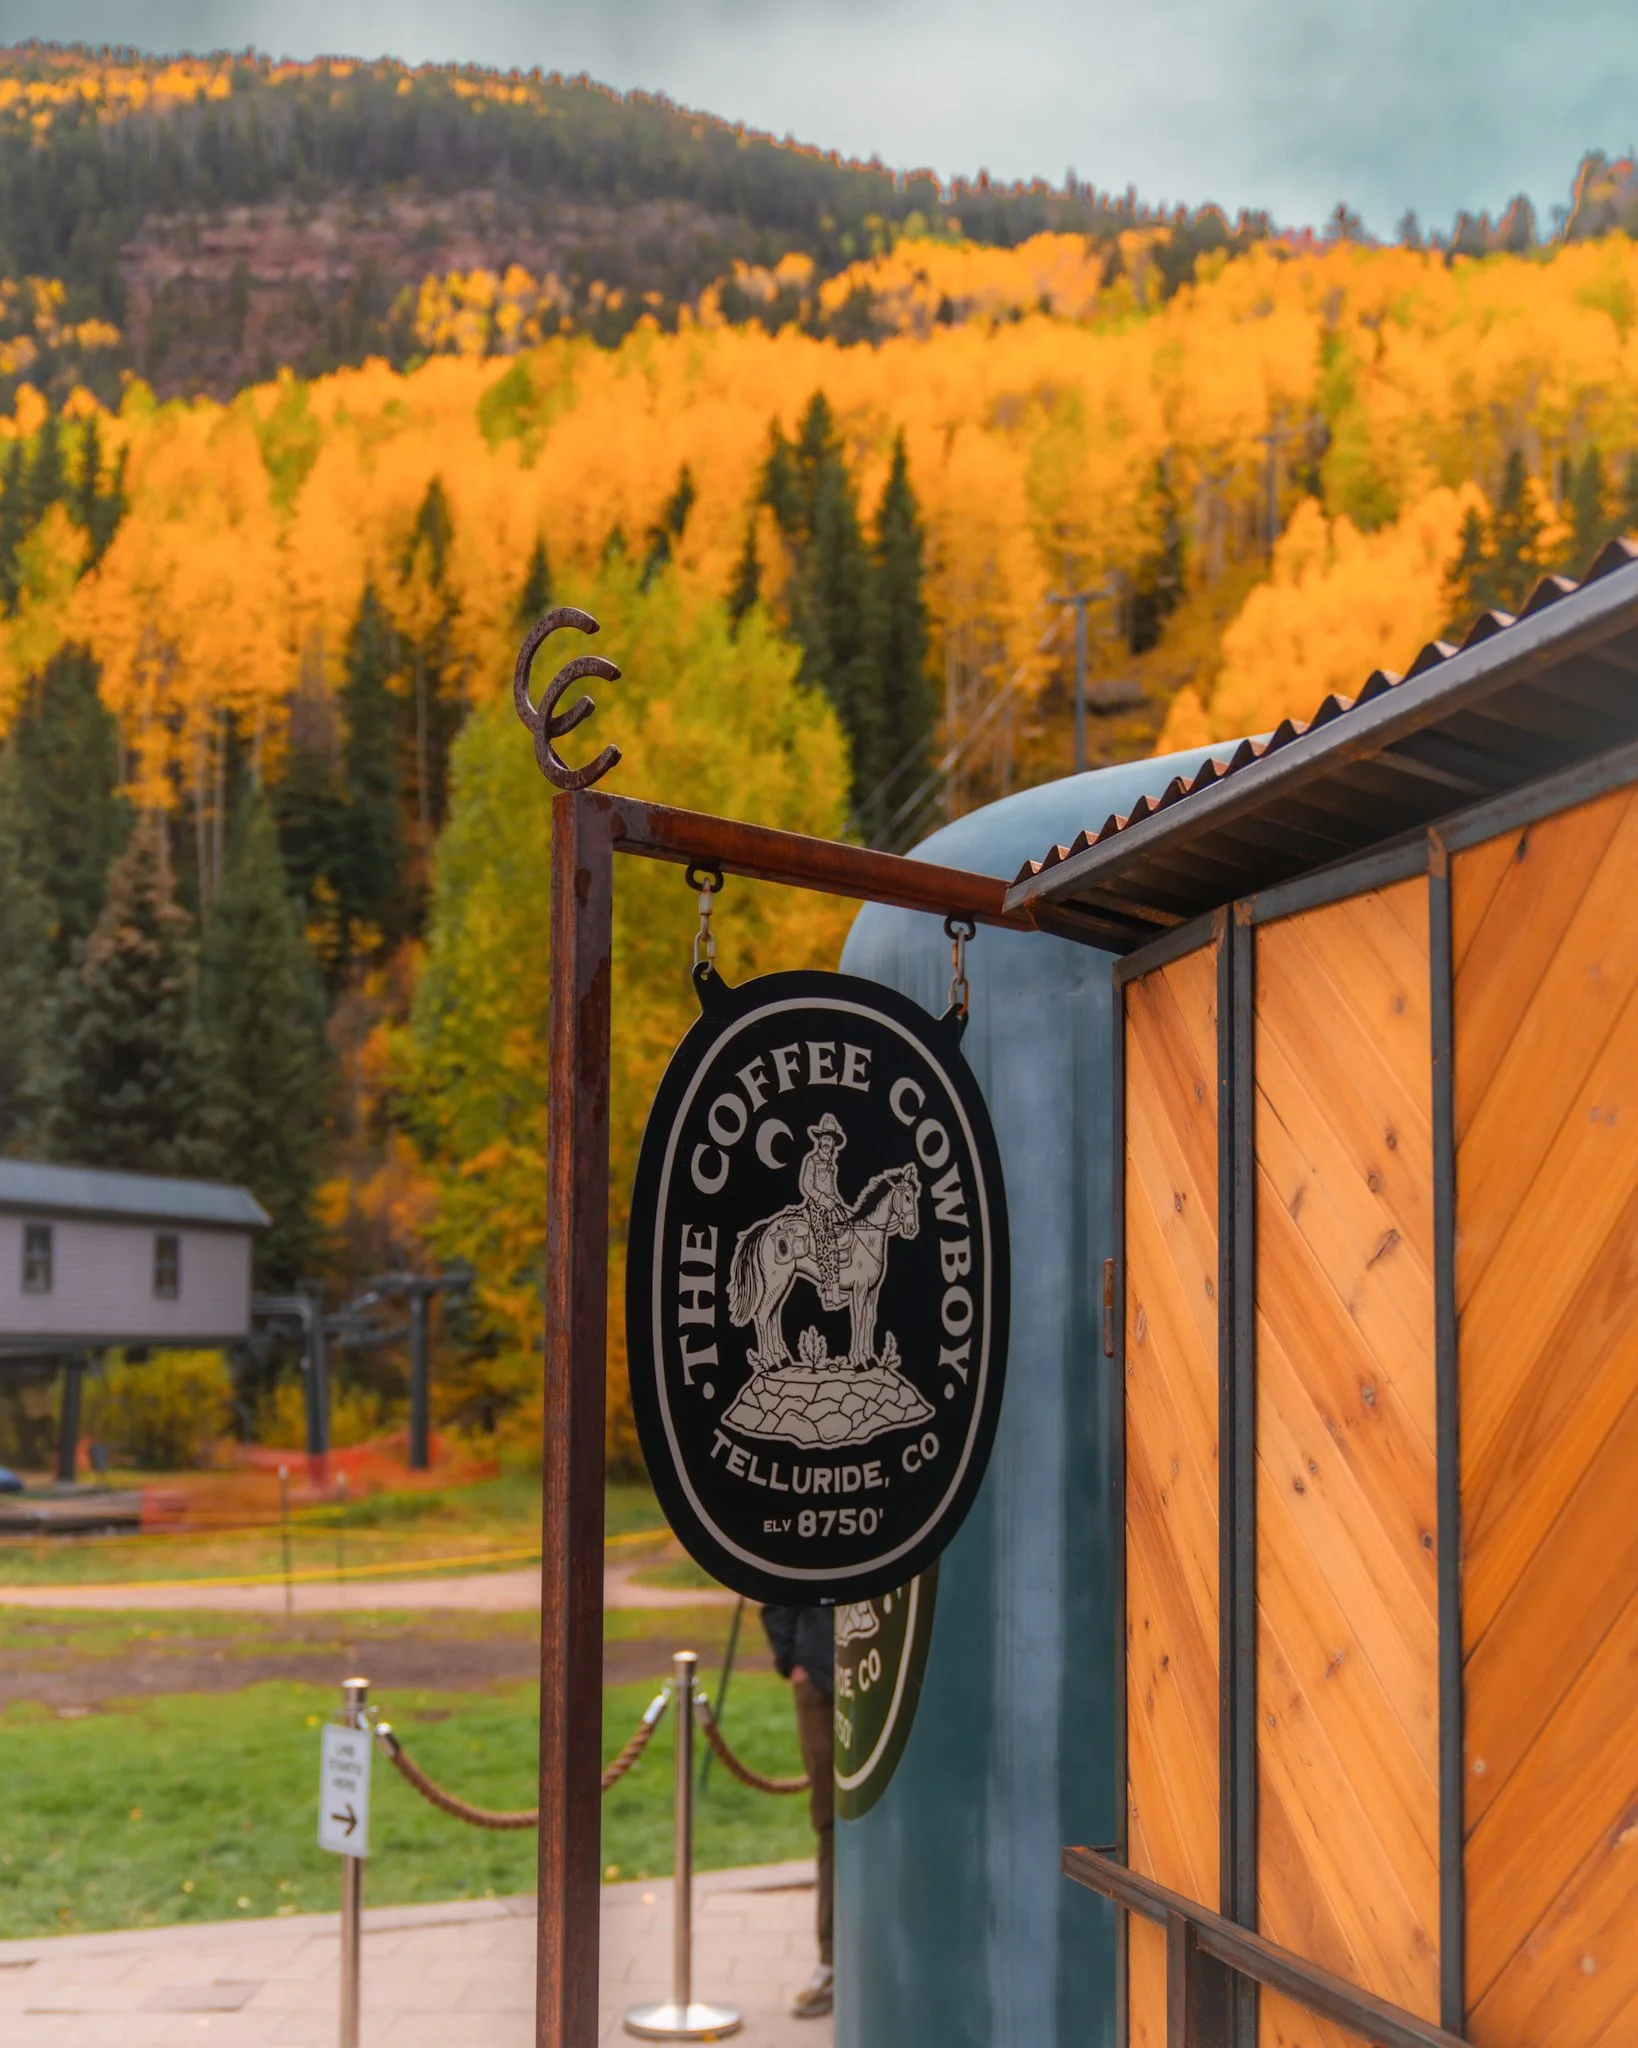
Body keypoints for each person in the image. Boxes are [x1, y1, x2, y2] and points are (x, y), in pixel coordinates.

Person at [761, 1603, 834, 2017]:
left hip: (890, 1676)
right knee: (831, 1823)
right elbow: (778, 1586)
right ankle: (832, 1963)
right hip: (820, 1681)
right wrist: (793, 1660)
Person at [799, 1112, 849, 1310]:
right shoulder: (812, 1161)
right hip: (817, 1207)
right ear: (819, 1140)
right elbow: (807, 1186)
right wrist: (823, 1200)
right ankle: (830, 1291)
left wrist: (837, 1202)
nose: (827, 1142)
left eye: (830, 1139)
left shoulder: (830, 1164)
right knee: (826, 1243)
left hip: (830, 1205)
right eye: (825, 1138)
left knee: (844, 1232)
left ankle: (834, 1292)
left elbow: (831, 1188)